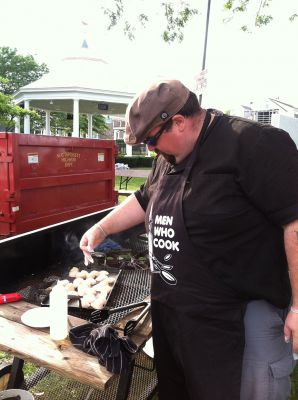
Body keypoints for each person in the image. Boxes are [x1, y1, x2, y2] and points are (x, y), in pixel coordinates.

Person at [80, 79, 298, 400]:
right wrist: (102, 228)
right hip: (177, 313)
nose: (150, 150)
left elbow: (294, 223)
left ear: (178, 122)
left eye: (151, 141)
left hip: (240, 316)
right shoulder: (167, 159)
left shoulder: (254, 143)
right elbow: (144, 198)